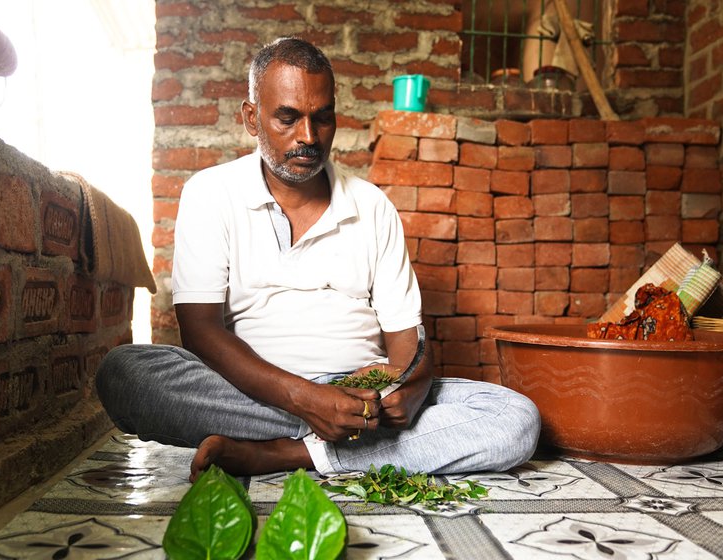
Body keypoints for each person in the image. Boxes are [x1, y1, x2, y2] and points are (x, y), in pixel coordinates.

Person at [96, 37, 540, 482]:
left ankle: (286, 454)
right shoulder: (211, 193)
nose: (307, 137)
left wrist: (407, 385)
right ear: (251, 118)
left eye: (321, 118)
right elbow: (200, 331)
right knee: (126, 374)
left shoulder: (371, 205)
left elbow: (411, 342)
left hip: (362, 394)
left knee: (515, 417)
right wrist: (308, 400)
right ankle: (343, 438)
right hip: (253, 392)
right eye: (287, 118)